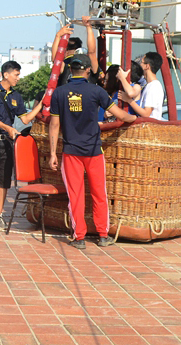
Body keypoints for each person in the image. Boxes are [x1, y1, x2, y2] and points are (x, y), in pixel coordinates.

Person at [48, 55, 136, 249]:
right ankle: (103, 236)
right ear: (88, 70)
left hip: (71, 152)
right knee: (99, 194)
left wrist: (53, 153)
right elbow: (120, 115)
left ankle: (79, 237)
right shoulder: (97, 91)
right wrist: (136, 120)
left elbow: (54, 125)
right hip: (94, 151)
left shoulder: (60, 93)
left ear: (71, 70)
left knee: (76, 196)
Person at [0, 60, 44, 231]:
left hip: (7, 143)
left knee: (4, 182)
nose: (18, 78)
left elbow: (25, 119)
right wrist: (7, 127)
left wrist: (41, 104)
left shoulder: (16, 96)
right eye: (16, 74)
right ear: (6, 74)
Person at [116, 52, 165, 120]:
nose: (140, 65)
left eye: (142, 62)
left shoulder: (154, 86)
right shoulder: (149, 85)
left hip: (149, 127)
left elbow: (146, 113)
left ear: (147, 66)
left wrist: (129, 100)